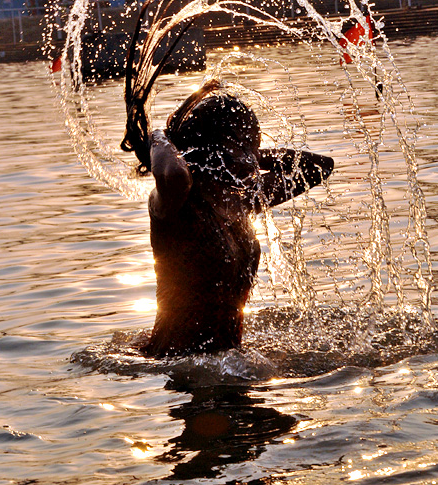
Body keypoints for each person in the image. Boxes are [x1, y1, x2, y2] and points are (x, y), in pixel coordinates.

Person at [122, 79, 334, 357]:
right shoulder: (175, 205)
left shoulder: (241, 200)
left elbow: (317, 167)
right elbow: (173, 175)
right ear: (212, 150)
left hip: (227, 361)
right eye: (244, 145)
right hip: (174, 360)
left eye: (253, 145)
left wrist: (246, 158)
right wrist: (158, 138)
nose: (252, 157)